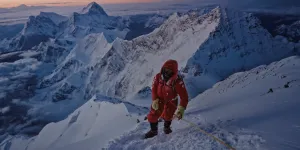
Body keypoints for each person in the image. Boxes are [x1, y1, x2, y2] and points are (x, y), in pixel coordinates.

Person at [145, 59, 189, 139]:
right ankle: (154, 131)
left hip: (171, 101)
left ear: (174, 72)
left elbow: (184, 97)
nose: (166, 73)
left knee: (168, 116)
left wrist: (181, 109)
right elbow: (154, 88)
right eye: (165, 70)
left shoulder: (177, 82)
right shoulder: (158, 77)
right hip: (159, 100)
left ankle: (167, 127)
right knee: (153, 115)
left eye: (169, 71)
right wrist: (155, 99)